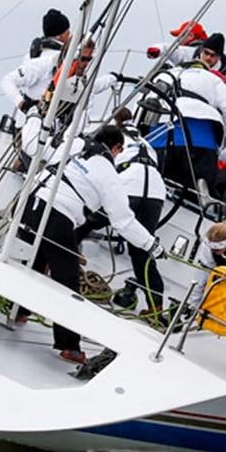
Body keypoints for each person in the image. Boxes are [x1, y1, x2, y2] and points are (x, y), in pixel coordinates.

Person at [18, 125, 162, 364]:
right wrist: (151, 245)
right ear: (116, 148)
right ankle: (69, 346)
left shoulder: (73, 145)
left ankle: (19, 311)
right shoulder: (108, 173)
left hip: (29, 203)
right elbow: (123, 221)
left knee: (36, 261)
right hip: (56, 215)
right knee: (68, 281)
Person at [72, 108, 167, 314]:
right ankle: (156, 307)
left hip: (128, 185)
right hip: (156, 193)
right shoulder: (147, 144)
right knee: (142, 249)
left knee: (86, 222)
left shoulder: (113, 137)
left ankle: (63, 257)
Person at [147, 45, 226, 200]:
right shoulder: (212, 79)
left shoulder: (165, 75)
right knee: (195, 193)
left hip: (159, 140)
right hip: (201, 143)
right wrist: (222, 127)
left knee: (156, 185)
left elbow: (144, 105)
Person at [0, 8, 71, 119]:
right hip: (35, 125)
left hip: (52, 121)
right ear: (61, 36)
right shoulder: (44, 62)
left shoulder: (35, 57)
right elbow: (7, 81)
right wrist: (23, 105)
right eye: (68, 33)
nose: (70, 36)